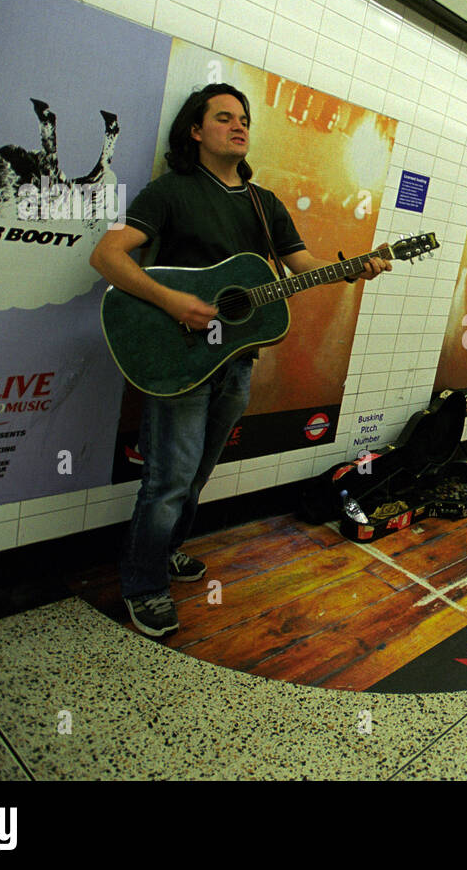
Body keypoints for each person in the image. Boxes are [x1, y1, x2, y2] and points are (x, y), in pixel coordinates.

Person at [90, 82, 390, 638]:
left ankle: (166, 552)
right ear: (195, 131)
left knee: (197, 474)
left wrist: (355, 267)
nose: (239, 126)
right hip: (176, 360)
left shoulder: (263, 202)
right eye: (224, 117)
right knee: (169, 478)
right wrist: (173, 300)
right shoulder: (171, 191)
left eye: (245, 119)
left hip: (235, 361)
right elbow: (106, 256)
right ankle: (143, 583)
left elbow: (303, 265)